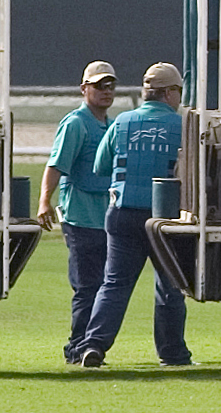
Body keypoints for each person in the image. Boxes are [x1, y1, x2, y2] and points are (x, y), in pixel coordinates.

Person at [74, 63, 190, 369]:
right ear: (169, 93)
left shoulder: (123, 121)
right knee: (170, 286)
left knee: (114, 284)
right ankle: (173, 353)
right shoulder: (183, 126)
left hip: (122, 214)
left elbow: (100, 166)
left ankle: (93, 346)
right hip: (165, 220)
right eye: (178, 91)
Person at [38, 60, 117, 364]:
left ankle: (91, 346)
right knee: (87, 288)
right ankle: (78, 348)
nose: (105, 91)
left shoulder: (110, 125)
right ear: (84, 89)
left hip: (105, 218)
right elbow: (56, 165)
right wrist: (45, 200)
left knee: (102, 288)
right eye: (99, 86)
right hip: (80, 218)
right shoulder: (76, 124)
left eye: (110, 85)